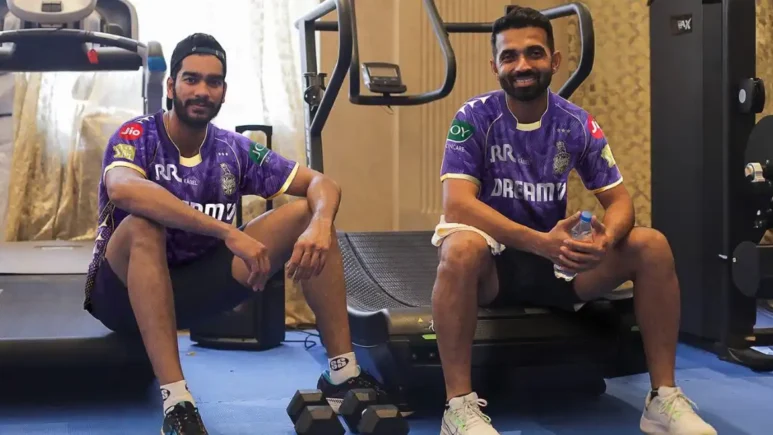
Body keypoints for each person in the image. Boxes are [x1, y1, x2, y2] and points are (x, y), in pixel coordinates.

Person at [83, 33, 403, 435]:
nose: (202, 91)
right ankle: (177, 402)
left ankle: (342, 373)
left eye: (213, 82)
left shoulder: (233, 149)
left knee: (307, 213)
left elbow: (322, 183)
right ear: (171, 86)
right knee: (143, 226)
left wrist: (321, 225)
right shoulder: (137, 135)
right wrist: (226, 232)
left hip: (198, 290)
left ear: (223, 91)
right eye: (191, 79)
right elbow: (123, 189)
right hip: (122, 295)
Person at [431, 7, 717, 435]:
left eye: (534, 53)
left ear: (555, 60)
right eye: (509, 56)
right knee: (459, 247)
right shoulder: (474, 118)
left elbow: (619, 202)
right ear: (495, 66)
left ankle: (662, 398)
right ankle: (458, 407)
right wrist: (539, 241)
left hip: (558, 265)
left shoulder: (577, 123)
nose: (522, 65)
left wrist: (605, 241)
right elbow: (457, 205)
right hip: (494, 267)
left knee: (651, 244)